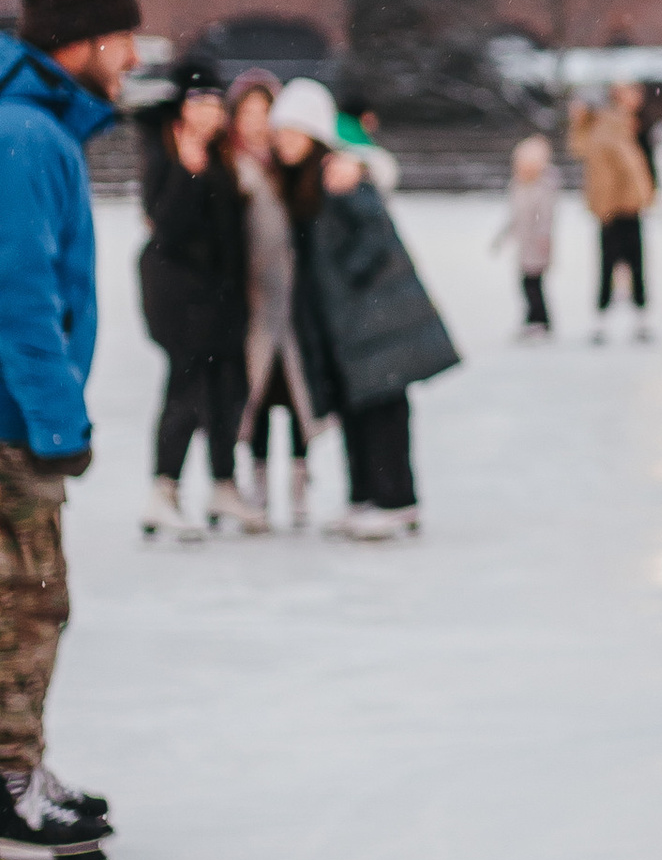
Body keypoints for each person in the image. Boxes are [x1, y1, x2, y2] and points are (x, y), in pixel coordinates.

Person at [0, 0, 141, 860]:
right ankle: (9, 782)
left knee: (29, 598)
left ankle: (20, 766)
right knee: (26, 602)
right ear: (82, 45)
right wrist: (56, 423)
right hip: (11, 421)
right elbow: (19, 300)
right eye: (123, 41)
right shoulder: (25, 137)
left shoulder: (35, 127)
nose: (132, 59)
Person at [265, 78, 460, 539]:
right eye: (280, 134)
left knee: (383, 409)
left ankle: (397, 499)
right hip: (345, 322)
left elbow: (374, 234)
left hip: (373, 317)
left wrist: (344, 280)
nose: (284, 143)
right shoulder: (302, 182)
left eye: (293, 133)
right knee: (356, 407)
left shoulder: (340, 174)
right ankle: (366, 496)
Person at [135, 60, 256, 539]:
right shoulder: (167, 152)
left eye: (215, 103)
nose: (209, 113)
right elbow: (167, 229)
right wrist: (188, 170)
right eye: (199, 102)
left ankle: (223, 484)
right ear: (181, 108)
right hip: (178, 295)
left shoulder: (220, 154)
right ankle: (162, 490)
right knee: (186, 387)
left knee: (226, 388)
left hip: (221, 294)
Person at [230, 75, 316, 530]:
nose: (257, 124)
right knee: (257, 397)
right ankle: (258, 482)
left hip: (295, 302)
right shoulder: (232, 169)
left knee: (299, 395)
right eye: (247, 114)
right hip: (253, 303)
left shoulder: (291, 166)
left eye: (265, 114)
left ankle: (301, 481)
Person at [576, 83, 656, 337]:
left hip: (628, 206)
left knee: (631, 263)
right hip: (617, 209)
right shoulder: (610, 125)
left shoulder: (628, 124)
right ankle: (605, 317)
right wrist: (607, 207)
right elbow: (605, 173)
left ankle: (636, 316)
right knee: (614, 262)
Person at [496, 132, 558, 334]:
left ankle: (540, 320)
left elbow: (545, 217)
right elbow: (514, 217)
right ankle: (532, 318)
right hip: (524, 245)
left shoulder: (543, 188)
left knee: (534, 283)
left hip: (537, 245)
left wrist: (543, 238)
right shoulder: (517, 187)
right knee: (525, 283)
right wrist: (502, 238)